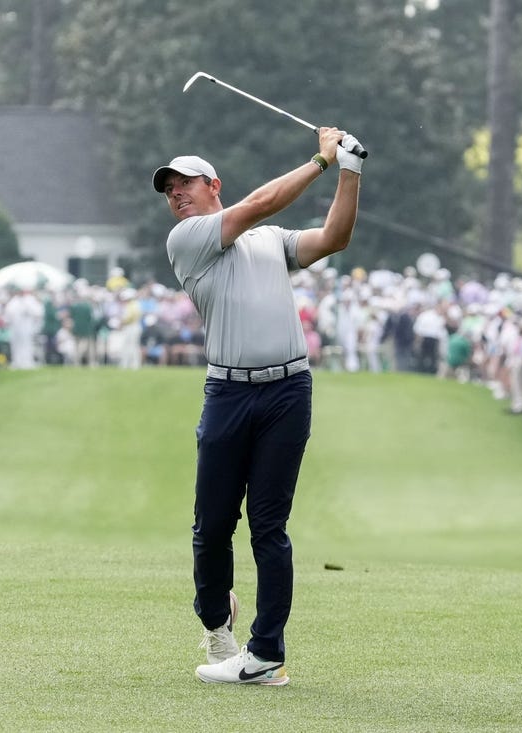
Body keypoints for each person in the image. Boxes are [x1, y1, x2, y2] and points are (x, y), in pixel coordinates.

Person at [152, 126, 363, 686]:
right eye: (168, 190)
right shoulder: (189, 240)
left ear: (211, 184)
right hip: (228, 392)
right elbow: (259, 204)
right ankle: (217, 623)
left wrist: (350, 172)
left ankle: (265, 653)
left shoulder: (269, 241)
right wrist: (320, 159)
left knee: (269, 527)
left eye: (185, 184)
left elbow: (334, 239)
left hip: (289, 390)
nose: (175, 195)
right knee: (213, 524)